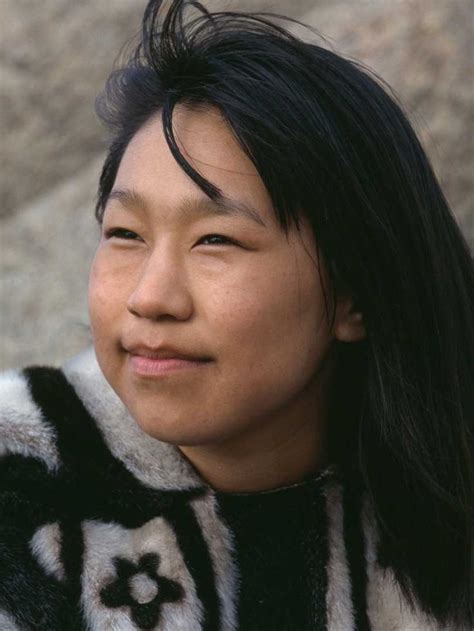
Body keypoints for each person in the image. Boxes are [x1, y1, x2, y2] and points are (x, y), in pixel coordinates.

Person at [0, 0, 472, 629]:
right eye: (124, 233)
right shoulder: (22, 482)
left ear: (355, 295)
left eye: (215, 240)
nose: (150, 296)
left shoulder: (440, 517)